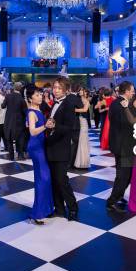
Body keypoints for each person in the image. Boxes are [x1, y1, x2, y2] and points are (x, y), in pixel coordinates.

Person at [44, 77, 79, 221]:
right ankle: (58, 208)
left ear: (65, 89)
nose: (56, 90)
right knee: (53, 180)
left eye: (59, 88)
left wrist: (55, 126)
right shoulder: (54, 104)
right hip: (51, 145)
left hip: (62, 147)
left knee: (61, 180)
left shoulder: (68, 104)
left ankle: (73, 208)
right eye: (55, 87)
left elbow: (69, 128)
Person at [106, 81, 136, 213]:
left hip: (122, 144)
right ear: (127, 91)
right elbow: (127, 124)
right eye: (132, 90)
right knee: (123, 174)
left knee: (127, 174)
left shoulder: (117, 103)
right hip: (123, 145)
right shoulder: (120, 104)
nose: (134, 93)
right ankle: (112, 201)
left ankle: (119, 195)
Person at [25, 85, 54, 225]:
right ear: (30, 98)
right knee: (44, 178)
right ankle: (37, 213)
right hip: (36, 147)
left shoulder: (39, 110)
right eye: (37, 95)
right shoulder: (31, 112)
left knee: (43, 178)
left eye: (40, 94)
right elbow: (32, 131)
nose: (40, 96)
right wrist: (45, 127)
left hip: (41, 145)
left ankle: (44, 209)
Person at [2, 82, 28, 160]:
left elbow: (3, 106)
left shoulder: (8, 96)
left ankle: (11, 156)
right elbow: (25, 111)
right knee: (20, 138)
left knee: (9, 138)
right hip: (19, 122)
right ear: (20, 88)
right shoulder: (21, 99)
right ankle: (20, 155)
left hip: (8, 121)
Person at [74, 87, 91, 169]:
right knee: (78, 140)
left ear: (85, 92)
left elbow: (85, 110)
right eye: (79, 90)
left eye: (82, 90)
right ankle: (77, 161)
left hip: (83, 121)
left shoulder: (86, 101)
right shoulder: (77, 99)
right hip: (77, 121)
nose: (80, 91)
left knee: (83, 140)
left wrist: (74, 110)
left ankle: (83, 162)